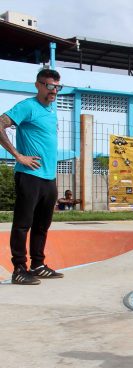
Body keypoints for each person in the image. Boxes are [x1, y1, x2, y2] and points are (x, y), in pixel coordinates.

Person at [0, 69, 64, 285]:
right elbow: (0, 124)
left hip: (49, 178)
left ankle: (38, 265)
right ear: (37, 85)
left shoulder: (52, 110)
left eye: (57, 87)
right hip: (29, 175)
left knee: (41, 225)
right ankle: (19, 269)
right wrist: (18, 156)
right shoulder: (28, 106)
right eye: (50, 86)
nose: (54, 91)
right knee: (22, 224)